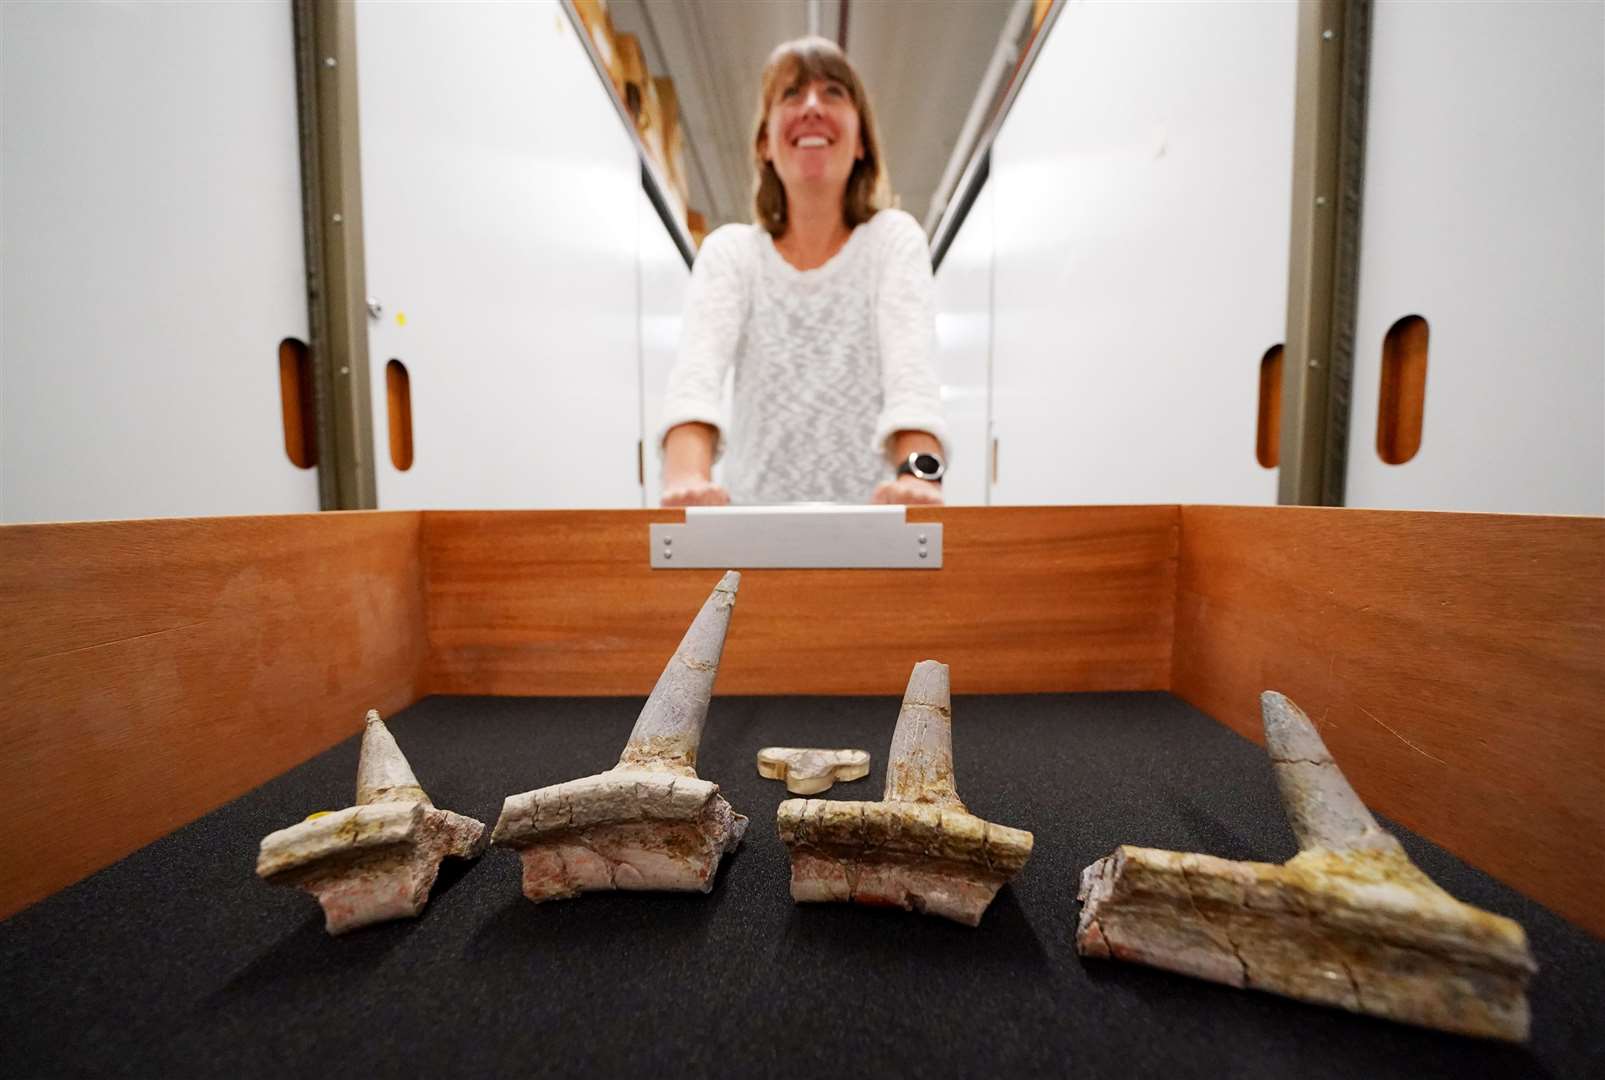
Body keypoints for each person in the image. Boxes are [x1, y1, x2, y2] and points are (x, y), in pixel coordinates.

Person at [657, 36, 949, 507]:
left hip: (871, 540)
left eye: (833, 91)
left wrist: (919, 478)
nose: (811, 106)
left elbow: (912, 384)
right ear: (765, 144)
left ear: (861, 143)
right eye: (791, 93)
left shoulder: (892, 243)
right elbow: (695, 383)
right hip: (752, 543)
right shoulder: (731, 255)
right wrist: (685, 479)